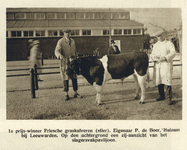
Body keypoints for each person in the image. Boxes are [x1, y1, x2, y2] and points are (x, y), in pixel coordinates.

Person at [150, 30, 176, 105]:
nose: (159, 37)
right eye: (158, 36)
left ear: (164, 35)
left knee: (167, 81)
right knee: (159, 80)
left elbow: (173, 52)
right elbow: (152, 54)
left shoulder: (169, 43)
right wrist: (154, 57)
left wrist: (165, 57)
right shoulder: (155, 45)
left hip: (166, 64)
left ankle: (169, 98)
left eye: (160, 35)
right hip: (158, 65)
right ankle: (161, 95)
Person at [54, 29, 81, 101]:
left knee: (74, 77)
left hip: (73, 61)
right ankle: (66, 93)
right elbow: (57, 51)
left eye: (68, 32)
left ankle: (75, 92)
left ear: (70, 33)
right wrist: (59, 55)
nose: (67, 34)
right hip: (65, 62)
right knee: (65, 78)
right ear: (63, 33)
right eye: (66, 33)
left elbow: (74, 51)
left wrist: (76, 56)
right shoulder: (61, 41)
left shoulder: (72, 41)